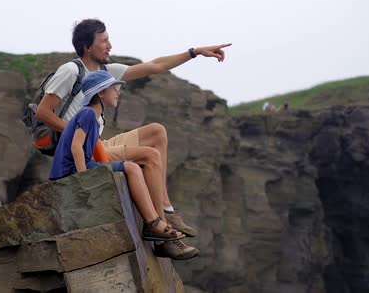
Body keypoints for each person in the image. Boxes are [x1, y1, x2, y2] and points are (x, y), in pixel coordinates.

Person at [37, 18, 230, 257]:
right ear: (88, 46)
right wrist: (79, 133)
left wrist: (194, 52)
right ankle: (160, 233)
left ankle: (166, 210)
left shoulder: (107, 73)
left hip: (100, 142)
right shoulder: (71, 71)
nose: (110, 45)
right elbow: (42, 112)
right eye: (104, 40)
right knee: (148, 156)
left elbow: (155, 66)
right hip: (87, 148)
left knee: (156, 131)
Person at [49, 71, 199, 260]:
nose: (117, 92)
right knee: (131, 167)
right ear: (101, 93)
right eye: (113, 88)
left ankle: (156, 221)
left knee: (131, 166)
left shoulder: (93, 116)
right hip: (70, 172)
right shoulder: (88, 113)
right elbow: (76, 147)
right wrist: (84, 178)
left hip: (79, 167)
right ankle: (154, 223)